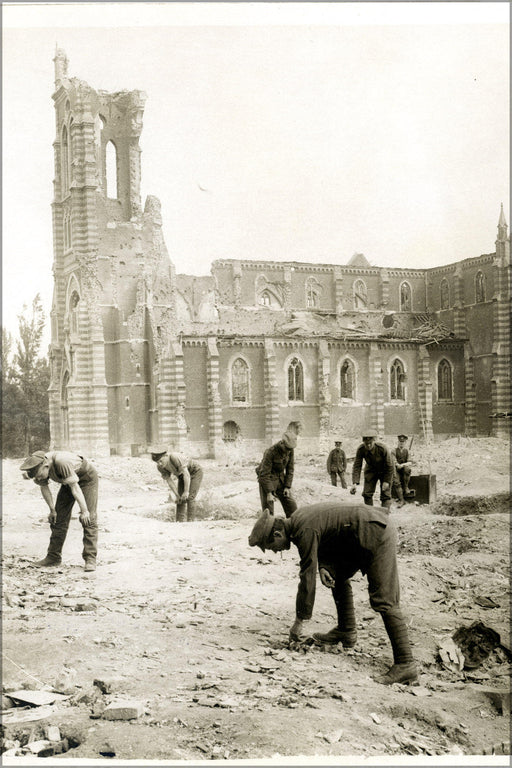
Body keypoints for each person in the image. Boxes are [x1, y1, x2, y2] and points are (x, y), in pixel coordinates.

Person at [248, 503, 418, 685]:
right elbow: (330, 534)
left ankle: (405, 663)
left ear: (277, 534)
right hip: (359, 531)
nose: (276, 551)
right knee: (337, 574)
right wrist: (325, 566)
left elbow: (307, 578)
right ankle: (346, 630)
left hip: (375, 532)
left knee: (385, 599)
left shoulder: (303, 529)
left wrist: (300, 621)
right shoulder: (298, 521)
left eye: (273, 547)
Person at [20, 450, 99, 572]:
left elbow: (75, 488)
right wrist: (52, 510)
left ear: (46, 466)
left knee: (89, 519)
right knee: (58, 519)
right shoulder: (40, 464)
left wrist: (84, 511)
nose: (39, 478)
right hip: (68, 481)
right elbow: (44, 487)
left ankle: (90, 559)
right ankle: (53, 557)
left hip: (86, 479)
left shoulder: (62, 462)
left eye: (39, 476)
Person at [149, 447, 203, 522]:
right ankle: (179, 522)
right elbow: (169, 481)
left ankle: (191, 522)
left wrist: (186, 491)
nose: (160, 464)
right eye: (157, 462)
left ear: (166, 456)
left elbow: (186, 474)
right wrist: (177, 495)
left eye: (161, 461)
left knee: (190, 497)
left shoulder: (174, 457)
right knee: (180, 499)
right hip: (182, 476)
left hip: (194, 471)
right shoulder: (160, 467)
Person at [256, 431, 298, 518]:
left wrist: (287, 487)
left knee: (292, 507)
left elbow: (290, 469)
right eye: (287, 448)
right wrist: (269, 493)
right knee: (269, 512)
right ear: (282, 443)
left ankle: (292, 527)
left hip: (280, 480)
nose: (288, 451)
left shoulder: (290, 450)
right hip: (267, 479)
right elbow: (264, 475)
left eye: (290, 449)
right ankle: (269, 530)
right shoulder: (270, 452)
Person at [350, 430, 394, 509]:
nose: (368, 445)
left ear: (374, 441)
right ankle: (370, 515)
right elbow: (357, 465)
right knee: (367, 494)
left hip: (384, 470)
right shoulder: (361, 449)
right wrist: (354, 483)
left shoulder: (383, 448)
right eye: (366, 444)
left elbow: (390, 466)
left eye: (370, 443)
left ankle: (384, 516)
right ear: (363, 442)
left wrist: (386, 481)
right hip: (371, 470)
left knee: (385, 495)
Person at [392, 434, 412, 501]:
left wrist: (402, 465)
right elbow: (393, 461)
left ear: (405, 443)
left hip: (403, 469)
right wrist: (398, 465)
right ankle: (401, 499)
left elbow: (410, 462)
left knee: (407, 469)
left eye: (403, 442)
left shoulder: (407, 451)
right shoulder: (394, 450)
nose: (401, 444)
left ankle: (406, 487)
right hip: (396, 469)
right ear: (398, 442)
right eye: (400, 442)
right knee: (396, 482)